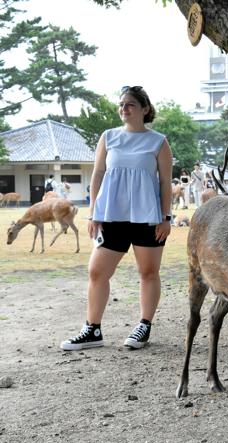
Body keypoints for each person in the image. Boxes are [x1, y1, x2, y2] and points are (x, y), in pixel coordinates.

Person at [60, 85, 173, 351]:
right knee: (97, 271)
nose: (124, 108)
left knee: (148, 272)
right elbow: (98, 175)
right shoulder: (108, 137)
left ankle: (144, 325)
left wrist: (166, 217)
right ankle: (92, 329)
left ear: (144, 109)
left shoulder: (158, 141)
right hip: (111, 217)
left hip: (148, 218)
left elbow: (166, 183)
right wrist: (93, 213)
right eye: (121, 104)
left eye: (130, 104)